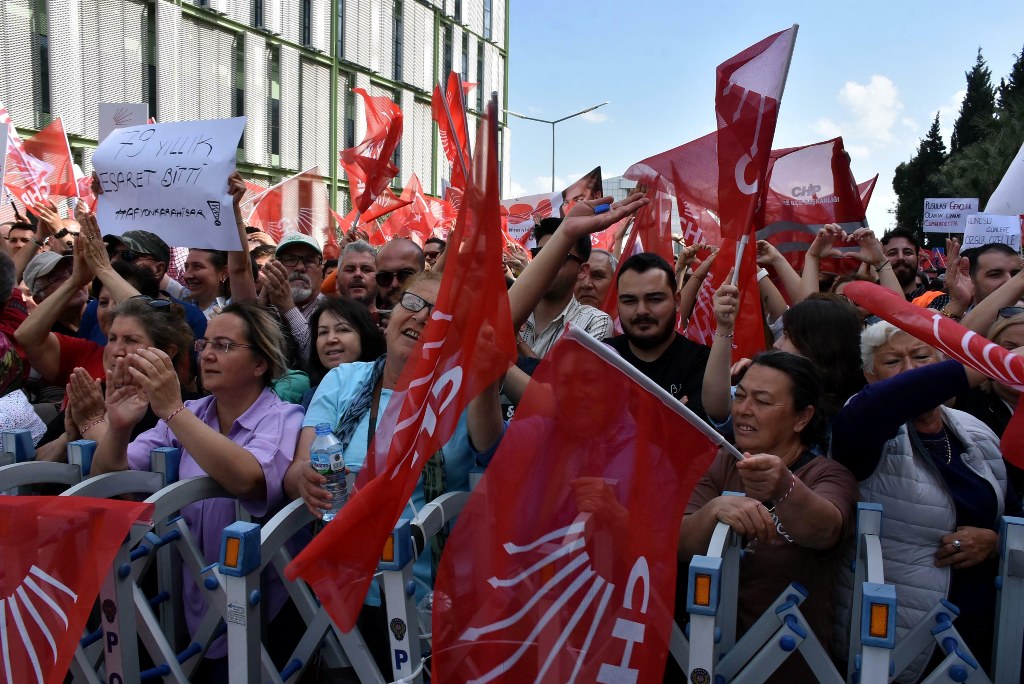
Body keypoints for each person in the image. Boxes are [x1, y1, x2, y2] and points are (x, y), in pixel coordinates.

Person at [91, 301, 303, 680]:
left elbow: (246, 477)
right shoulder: (193, 412)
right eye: (204, 344)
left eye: (223, 345)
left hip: (263, 607)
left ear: (260, 363)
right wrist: (119, 428)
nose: (206, 354)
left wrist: (172, 409)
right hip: (187, 603)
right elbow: (111, 480)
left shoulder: (284, 417)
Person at [831, 321, 1021, 680]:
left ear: (942, 362)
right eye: (892, 362)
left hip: (983, 625)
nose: (910, 370)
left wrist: (995, 541)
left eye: (922, 357)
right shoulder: (861, 421)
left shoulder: (975, 430)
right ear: (870, 376)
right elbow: (892, 398)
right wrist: (999, 361)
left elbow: (1013, 515)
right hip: (899, 636)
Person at [680, 351, 858, 683]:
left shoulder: (828, 476)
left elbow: (824, 529)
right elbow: (683, 542)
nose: (744, 410)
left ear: (802, 418)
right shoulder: (720, 462)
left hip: (790, 663)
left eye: (762, 402)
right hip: (704, 659)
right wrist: (715, 510)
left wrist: (785, 487)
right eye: (741, 395)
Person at [34, 295, 196, 462]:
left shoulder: (185, 409)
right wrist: (69, 437)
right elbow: (29, 470)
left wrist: (92, 425)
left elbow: (133, 471)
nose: (116, 350)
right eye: (112, 339)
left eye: (131, 340)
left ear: (167, 352)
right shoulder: (94, 398)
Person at [606, 252, 710, 413]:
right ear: (618, 304)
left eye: (654, 299)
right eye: (629, 301)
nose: (641, 311)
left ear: (677, 301)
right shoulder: (601, 357)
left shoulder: (702, 364)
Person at [518, 217, 612, 357]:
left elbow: (560, 379)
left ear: (581, 270)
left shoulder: (594, 322)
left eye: (558, 257)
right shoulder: (512, 309)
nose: (545, 264)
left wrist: (516, 341)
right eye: (540, 254)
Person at [305, 297, 385, 392]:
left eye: (342, 330)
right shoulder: (311, 396)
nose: (330, 339)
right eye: (323, 332)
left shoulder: (386, 389)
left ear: (365, 336)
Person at [375, 237, 424, 309]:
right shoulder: (367, 319)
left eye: (405, 276)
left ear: (425, 276)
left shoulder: (442, 317)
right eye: (385, 277)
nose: (395, 284)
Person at [881, 228, 926, 300]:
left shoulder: (939, 299)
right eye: (892, 253)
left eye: (907, 252)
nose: (901, 257)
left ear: (918, 259)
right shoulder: (868, 301)